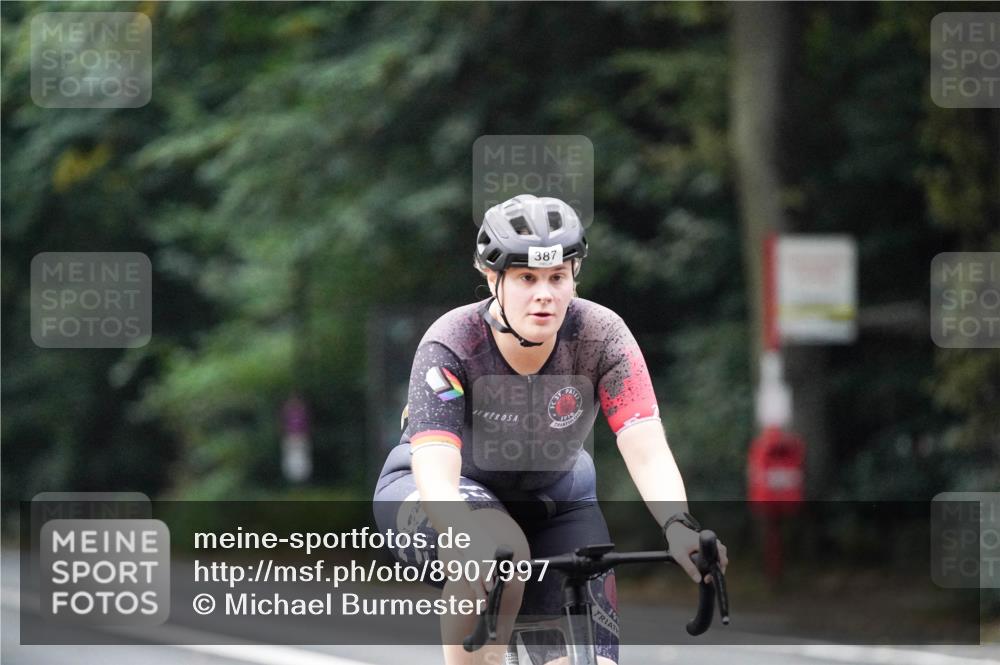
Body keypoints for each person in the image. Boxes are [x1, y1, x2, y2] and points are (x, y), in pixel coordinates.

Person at [373, 194, 728, 665]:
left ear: (574, 277)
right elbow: (437, 469)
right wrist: (463, 536)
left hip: (555, 496)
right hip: (438, 491)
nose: (544, 293)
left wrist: (678, 525)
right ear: (492, 278)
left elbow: (645, 444)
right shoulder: (452, 340)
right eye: (526, 278)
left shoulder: (603, 336)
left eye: (558, 277)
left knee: (592, 659)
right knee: (498, 551)